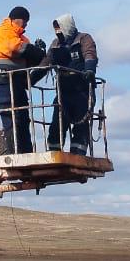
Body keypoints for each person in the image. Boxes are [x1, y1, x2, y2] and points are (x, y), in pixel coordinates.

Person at [0, 6, 47, 154]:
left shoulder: (21, 37)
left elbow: (27, 59)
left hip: (18, 80)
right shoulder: (1, 32)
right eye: (25, 22)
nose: (26, 25)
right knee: (11, 118)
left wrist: (39, 53)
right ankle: (14, 153)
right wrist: (33, 51)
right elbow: (15, 49)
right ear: (18, 19)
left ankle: (26, 152)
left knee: (22, 117)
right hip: (4, 80)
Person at [44, 13, 98, 155]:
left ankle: (78, 154)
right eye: (55, 29)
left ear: (67, 26)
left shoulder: (83, 39)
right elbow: (46, 63)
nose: (57, 31)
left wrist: (90, 70)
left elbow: (90, 54)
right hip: (64, 91)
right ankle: (53, 153)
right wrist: (30, 79)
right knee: (57, 123)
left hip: (82, 89)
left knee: (81, 125)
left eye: (59, 28)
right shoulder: (55, 44)